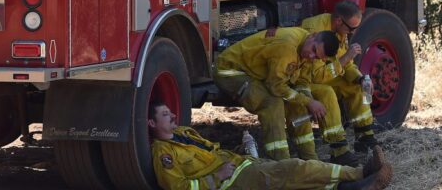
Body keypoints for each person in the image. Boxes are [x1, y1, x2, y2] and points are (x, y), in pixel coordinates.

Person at [149, 103, 393, 190]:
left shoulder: (183, 132)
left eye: (170, 111)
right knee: (296, 169)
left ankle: (354, 187)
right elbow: (179, 187)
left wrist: (247, 152)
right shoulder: (164, 153)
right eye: (164, 114)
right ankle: (361, 173)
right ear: (151, 123)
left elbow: (213, 152)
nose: (171, 115)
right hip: (231, 181)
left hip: (243, 165)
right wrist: (216, 178)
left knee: (295, 184)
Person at [214, 27, 339, 160]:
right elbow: (276, 87)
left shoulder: (306, 43)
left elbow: (302, 80)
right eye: (313, 50)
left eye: (316, 57)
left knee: (298, 102)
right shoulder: (287, 48)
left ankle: (309, 160)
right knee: (272, 103)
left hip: (258, 74)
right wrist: (309, 102)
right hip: (231, 71)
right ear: (313, 35)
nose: (311, 56)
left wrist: (307, 99)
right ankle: (281, 163)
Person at [298, 0, 377, 165]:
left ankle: (365, 137)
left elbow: (346, 65)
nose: (352, 33)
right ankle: (339, 151)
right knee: (327, 93)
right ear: (339, 21)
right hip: (306, 80)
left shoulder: (340, 31)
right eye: (352, 29)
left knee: (356, 86)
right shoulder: (316, 30)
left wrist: (360, 78)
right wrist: (346, 57)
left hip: (326, 75)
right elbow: (317, 75)